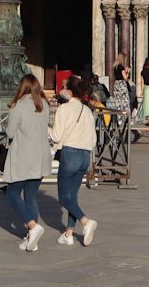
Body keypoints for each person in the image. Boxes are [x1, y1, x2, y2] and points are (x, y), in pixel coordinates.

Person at [3, 73, 53, 251]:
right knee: (31, 196)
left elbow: (10, 133)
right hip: (40, 156)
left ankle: (32, 226)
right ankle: (32, 239)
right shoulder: (43, 105)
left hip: (24, 156)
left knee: (13, 193)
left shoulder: (18, 105)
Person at [49, 76, 98, 246]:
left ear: (69, 91)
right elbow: (93, 139)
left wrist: (46, 129)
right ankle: (69, 233)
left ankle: (86, 222)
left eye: (63, 86)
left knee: (63, 197)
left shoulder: (64, 108)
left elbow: (56, 135)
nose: (61, 89)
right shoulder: (87, 110)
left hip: (69, 153)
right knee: (73, 196)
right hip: (85, 155)